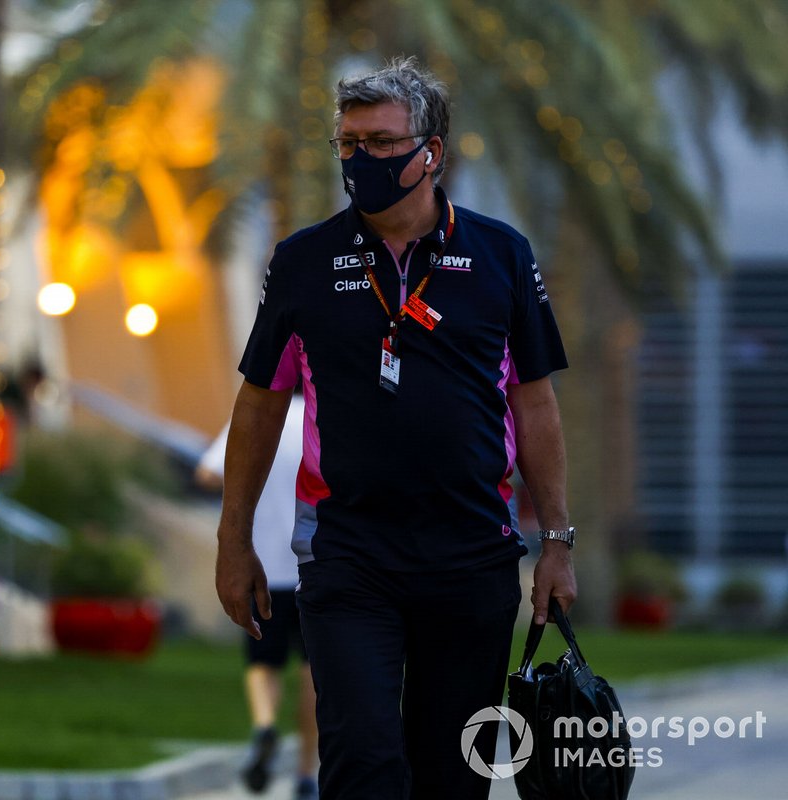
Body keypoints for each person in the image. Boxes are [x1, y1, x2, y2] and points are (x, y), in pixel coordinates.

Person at [213, 56, 577, 800]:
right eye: (348, 144)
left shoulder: (502, 255)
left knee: (452, 776)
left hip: (472, 554)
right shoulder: (303, 263)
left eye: (380, 142)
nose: (360, 159)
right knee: (365, 762)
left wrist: (558, 546)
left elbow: (534, 404)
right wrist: (234, 539)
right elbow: (259, 402)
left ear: (430, 153)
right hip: (348, 555)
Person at [197, 390, 319, 799]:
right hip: (312, 564)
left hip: (259, 564)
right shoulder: (321, 418)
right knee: (312, 671)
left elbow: (208, 473)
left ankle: (265, 724)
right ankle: (306, 773)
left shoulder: (255, 419)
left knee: (261, 661)